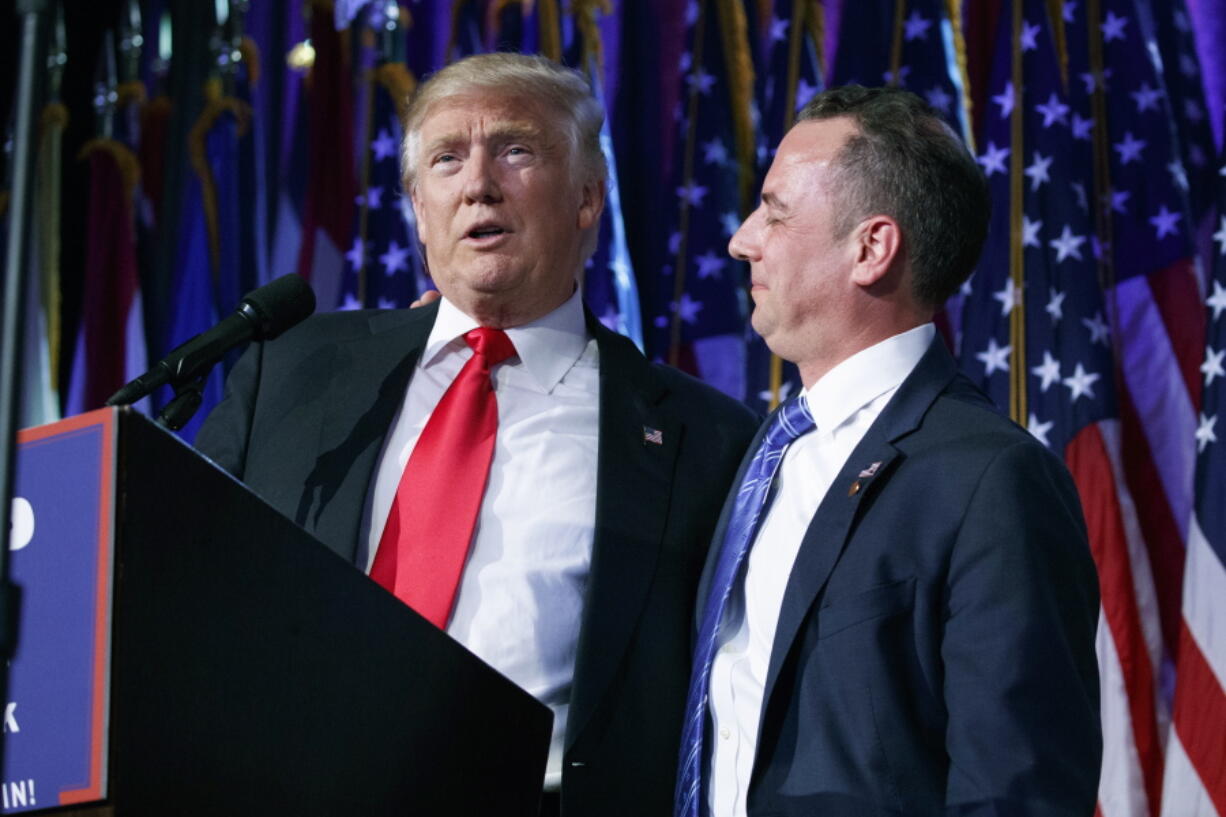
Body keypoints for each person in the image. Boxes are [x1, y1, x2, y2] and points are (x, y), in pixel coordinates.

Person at [196, 53, 759, 817]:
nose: (478, 184)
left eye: (516, 150)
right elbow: (186, 576)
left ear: (589, 196)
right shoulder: (292, 369)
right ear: (419, 208)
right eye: (447, 159)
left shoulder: (706, 439)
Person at [674, 86, 1102, 817]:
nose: (742, 239)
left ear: (871, 248)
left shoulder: (992, 481)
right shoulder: (759, 453)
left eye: (775, 211)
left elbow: (1016, 792)